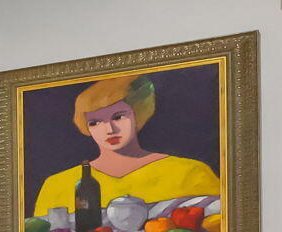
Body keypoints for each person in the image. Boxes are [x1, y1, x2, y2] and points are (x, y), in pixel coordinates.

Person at [29, 73, 221, 219]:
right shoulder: (58, 185)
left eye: (118, 117)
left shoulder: (190, 173)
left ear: (138, 113)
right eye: (95, 122)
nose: (109, 129)